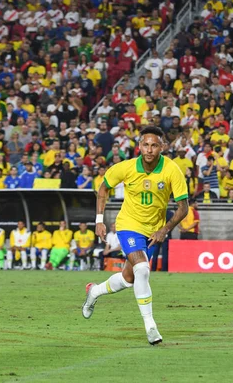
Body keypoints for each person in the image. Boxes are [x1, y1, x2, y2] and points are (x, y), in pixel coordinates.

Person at [82, 126, 189, 346]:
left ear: (162, 147)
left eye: (154, 145)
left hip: (153, 230)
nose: (149, 149)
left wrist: (164, 229)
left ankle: (94, 291)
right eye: (146, 145)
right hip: (128, 225)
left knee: (129, 278)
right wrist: (99, 221)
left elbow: (183, 207)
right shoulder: (126, 167)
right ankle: (150, 326)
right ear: (139, 146)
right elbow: (103, 189)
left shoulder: (172, 170)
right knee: (142, 269)